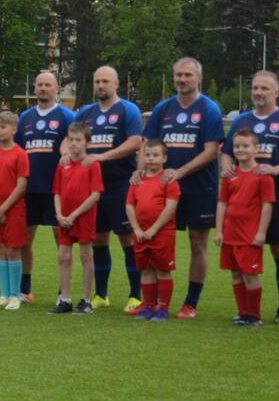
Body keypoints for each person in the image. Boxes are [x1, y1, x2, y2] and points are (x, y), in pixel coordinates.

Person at [140, 57, 223, 319]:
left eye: (188, 75)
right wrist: (141, 170)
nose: (182, 80)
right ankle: (153, 303)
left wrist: (180, 172)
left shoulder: (209, 109)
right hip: (162, 190)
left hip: (199, 187)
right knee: (155, 240)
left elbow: (211, 152)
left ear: (199, 78)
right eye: (178, 75)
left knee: (198, 244)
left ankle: (191, 302)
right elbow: (146, 143)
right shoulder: (162, 109)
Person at [221, 71, 279, 326]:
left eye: (264, 88)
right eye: (255, 88)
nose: (259, 92)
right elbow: (226, 151)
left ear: (276, 92)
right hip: (242, 196)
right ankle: (247, 311)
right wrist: (226, 166)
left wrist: (277, 169)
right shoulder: (241, 120)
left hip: (275, 190)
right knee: (240, 254)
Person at [76, 66, 144, 312]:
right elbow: (71, 137)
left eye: (105, 81)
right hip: (93, 187)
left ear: (116, 84)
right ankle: (101, 294)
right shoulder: (86, 112)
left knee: (127, 237)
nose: (100, 85)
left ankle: (136, 295)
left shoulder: (128, 109)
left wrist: (103, 157)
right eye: (97, 81)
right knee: (98, 239)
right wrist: (65, 153)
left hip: (120, 184)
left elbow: (136, 141)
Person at [16, 71, 74, 303]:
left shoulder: (66, 116)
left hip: (56, 190)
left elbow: (73, 148)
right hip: (29, 189)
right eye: (39, 84)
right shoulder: (25, 117)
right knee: (24, 240)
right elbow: (19, 151)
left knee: (61, 240)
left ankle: (63, 291)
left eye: (48, 85)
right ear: (34, 87)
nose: (43, 88)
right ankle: (25, 289)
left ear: (56, 88)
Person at [216, 128, 275, 326]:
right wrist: (218, 231)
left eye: (245, 146)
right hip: (230, 233)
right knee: (235, 273)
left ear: (256, 149)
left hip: (249, 235)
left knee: (250, 274)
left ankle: (254, 315)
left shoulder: (263, 175)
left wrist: (261, 232)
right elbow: (222, 203)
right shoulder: (229, 174)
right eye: (237, 146)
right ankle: (242, 313)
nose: (240, 149)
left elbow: (267, 205)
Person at [50, 122, 104, 315]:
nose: (73, 144)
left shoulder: (92, 165)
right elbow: (57, 192)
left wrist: (73, 215)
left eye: (78, 140)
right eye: (71, 140)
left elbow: (95, 195)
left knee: (85, 256)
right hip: (64, 219)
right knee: (63, 256)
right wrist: (59, 214)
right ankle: (64, 299)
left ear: (87, 143)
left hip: (83, 218)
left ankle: (86, 300)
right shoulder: (62, 165)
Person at [125, 139, 180, 322]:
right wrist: (137, 229)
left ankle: (163, 308)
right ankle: (148, 305)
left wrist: (154, 228)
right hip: (141, 234)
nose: (151, 159)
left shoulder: (169, 180)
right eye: (147, 155)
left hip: (162, 233)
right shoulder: (137, 180)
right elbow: (130, 205)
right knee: (146, 269)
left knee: (163, 270)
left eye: (156, 155)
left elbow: (170, 207)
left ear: (164, 158)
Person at [0, 111, 29, 310]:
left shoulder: (20, 154)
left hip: (13, 210)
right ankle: (3, 294)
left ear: (14, 129)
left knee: (13, 250)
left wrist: (3, 208)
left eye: (3, 127)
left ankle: (14, 295)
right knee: (0, 249)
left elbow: (21, 185)